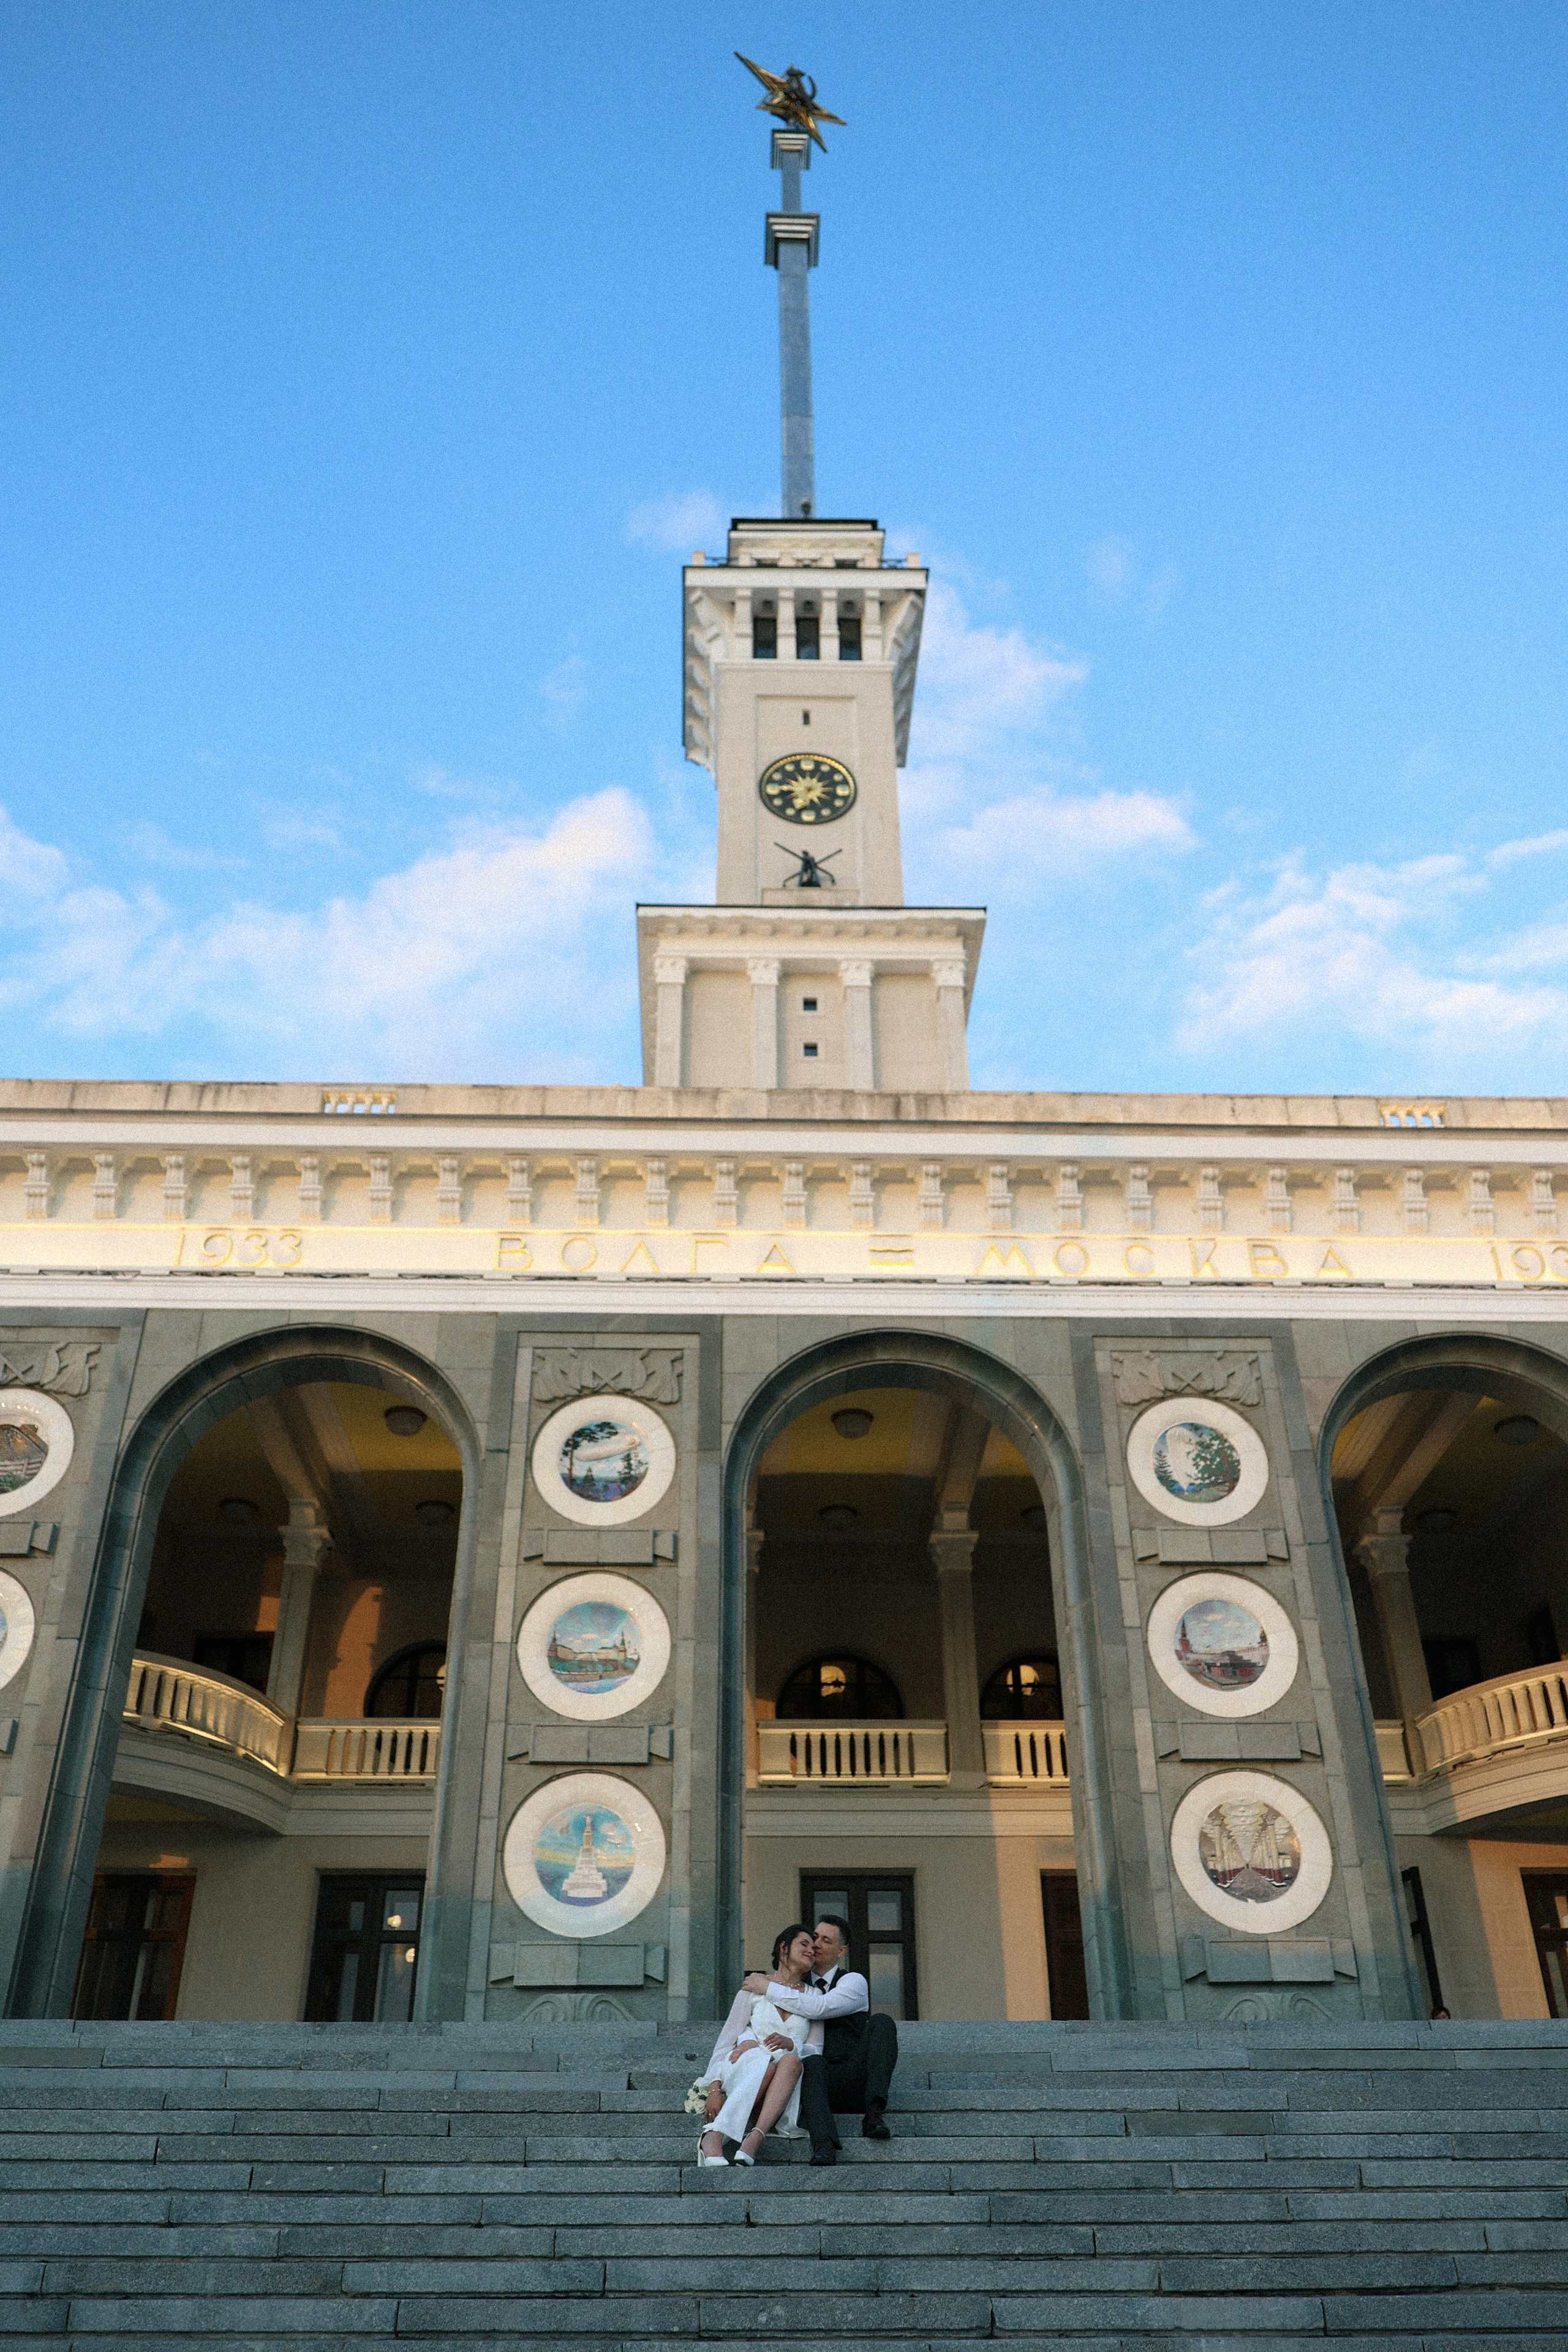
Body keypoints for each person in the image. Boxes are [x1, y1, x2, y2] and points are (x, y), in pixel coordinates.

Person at [744, 1912, 897, 2167]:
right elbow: (757, 2020)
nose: (816, 1944)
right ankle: (824, 2144)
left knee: (882, 2022)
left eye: (826, 1940)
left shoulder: (853, 1981)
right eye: (814, 1937)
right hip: (816, 2082)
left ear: (841, 1951)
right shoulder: (796, 1987)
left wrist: (768, 1987)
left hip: (855, 2075)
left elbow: (820, 2007)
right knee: (813, 2061)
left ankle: (874, 2114)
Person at [697, 1923, 815, 2166]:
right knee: (765, 2062)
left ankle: (756, 2137)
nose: (812, 1951)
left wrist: (791, 2042)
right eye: (804, 1944)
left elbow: (816, 2050)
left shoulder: (814, 1997)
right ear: (784, 1948)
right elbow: (725, 2043)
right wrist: (714, 2088)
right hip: (746, 2068)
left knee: (790, 2060)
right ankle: (713, 2135)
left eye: (814, 1948)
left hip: (785, 2083)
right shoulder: (753, 1989)